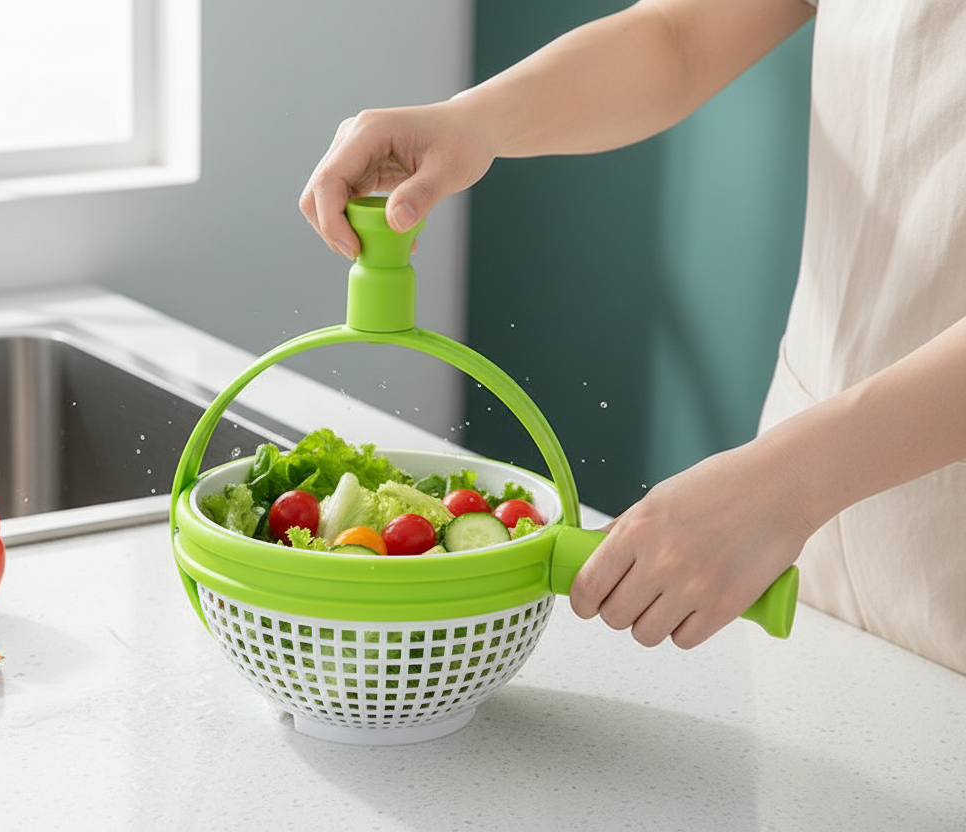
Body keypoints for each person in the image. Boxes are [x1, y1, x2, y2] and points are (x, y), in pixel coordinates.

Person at [299, 0, 966, 675]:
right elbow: (681, 37)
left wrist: (793, 479)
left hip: (870, 517)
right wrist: (476, 119)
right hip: (797, 522)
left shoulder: (786, 484)